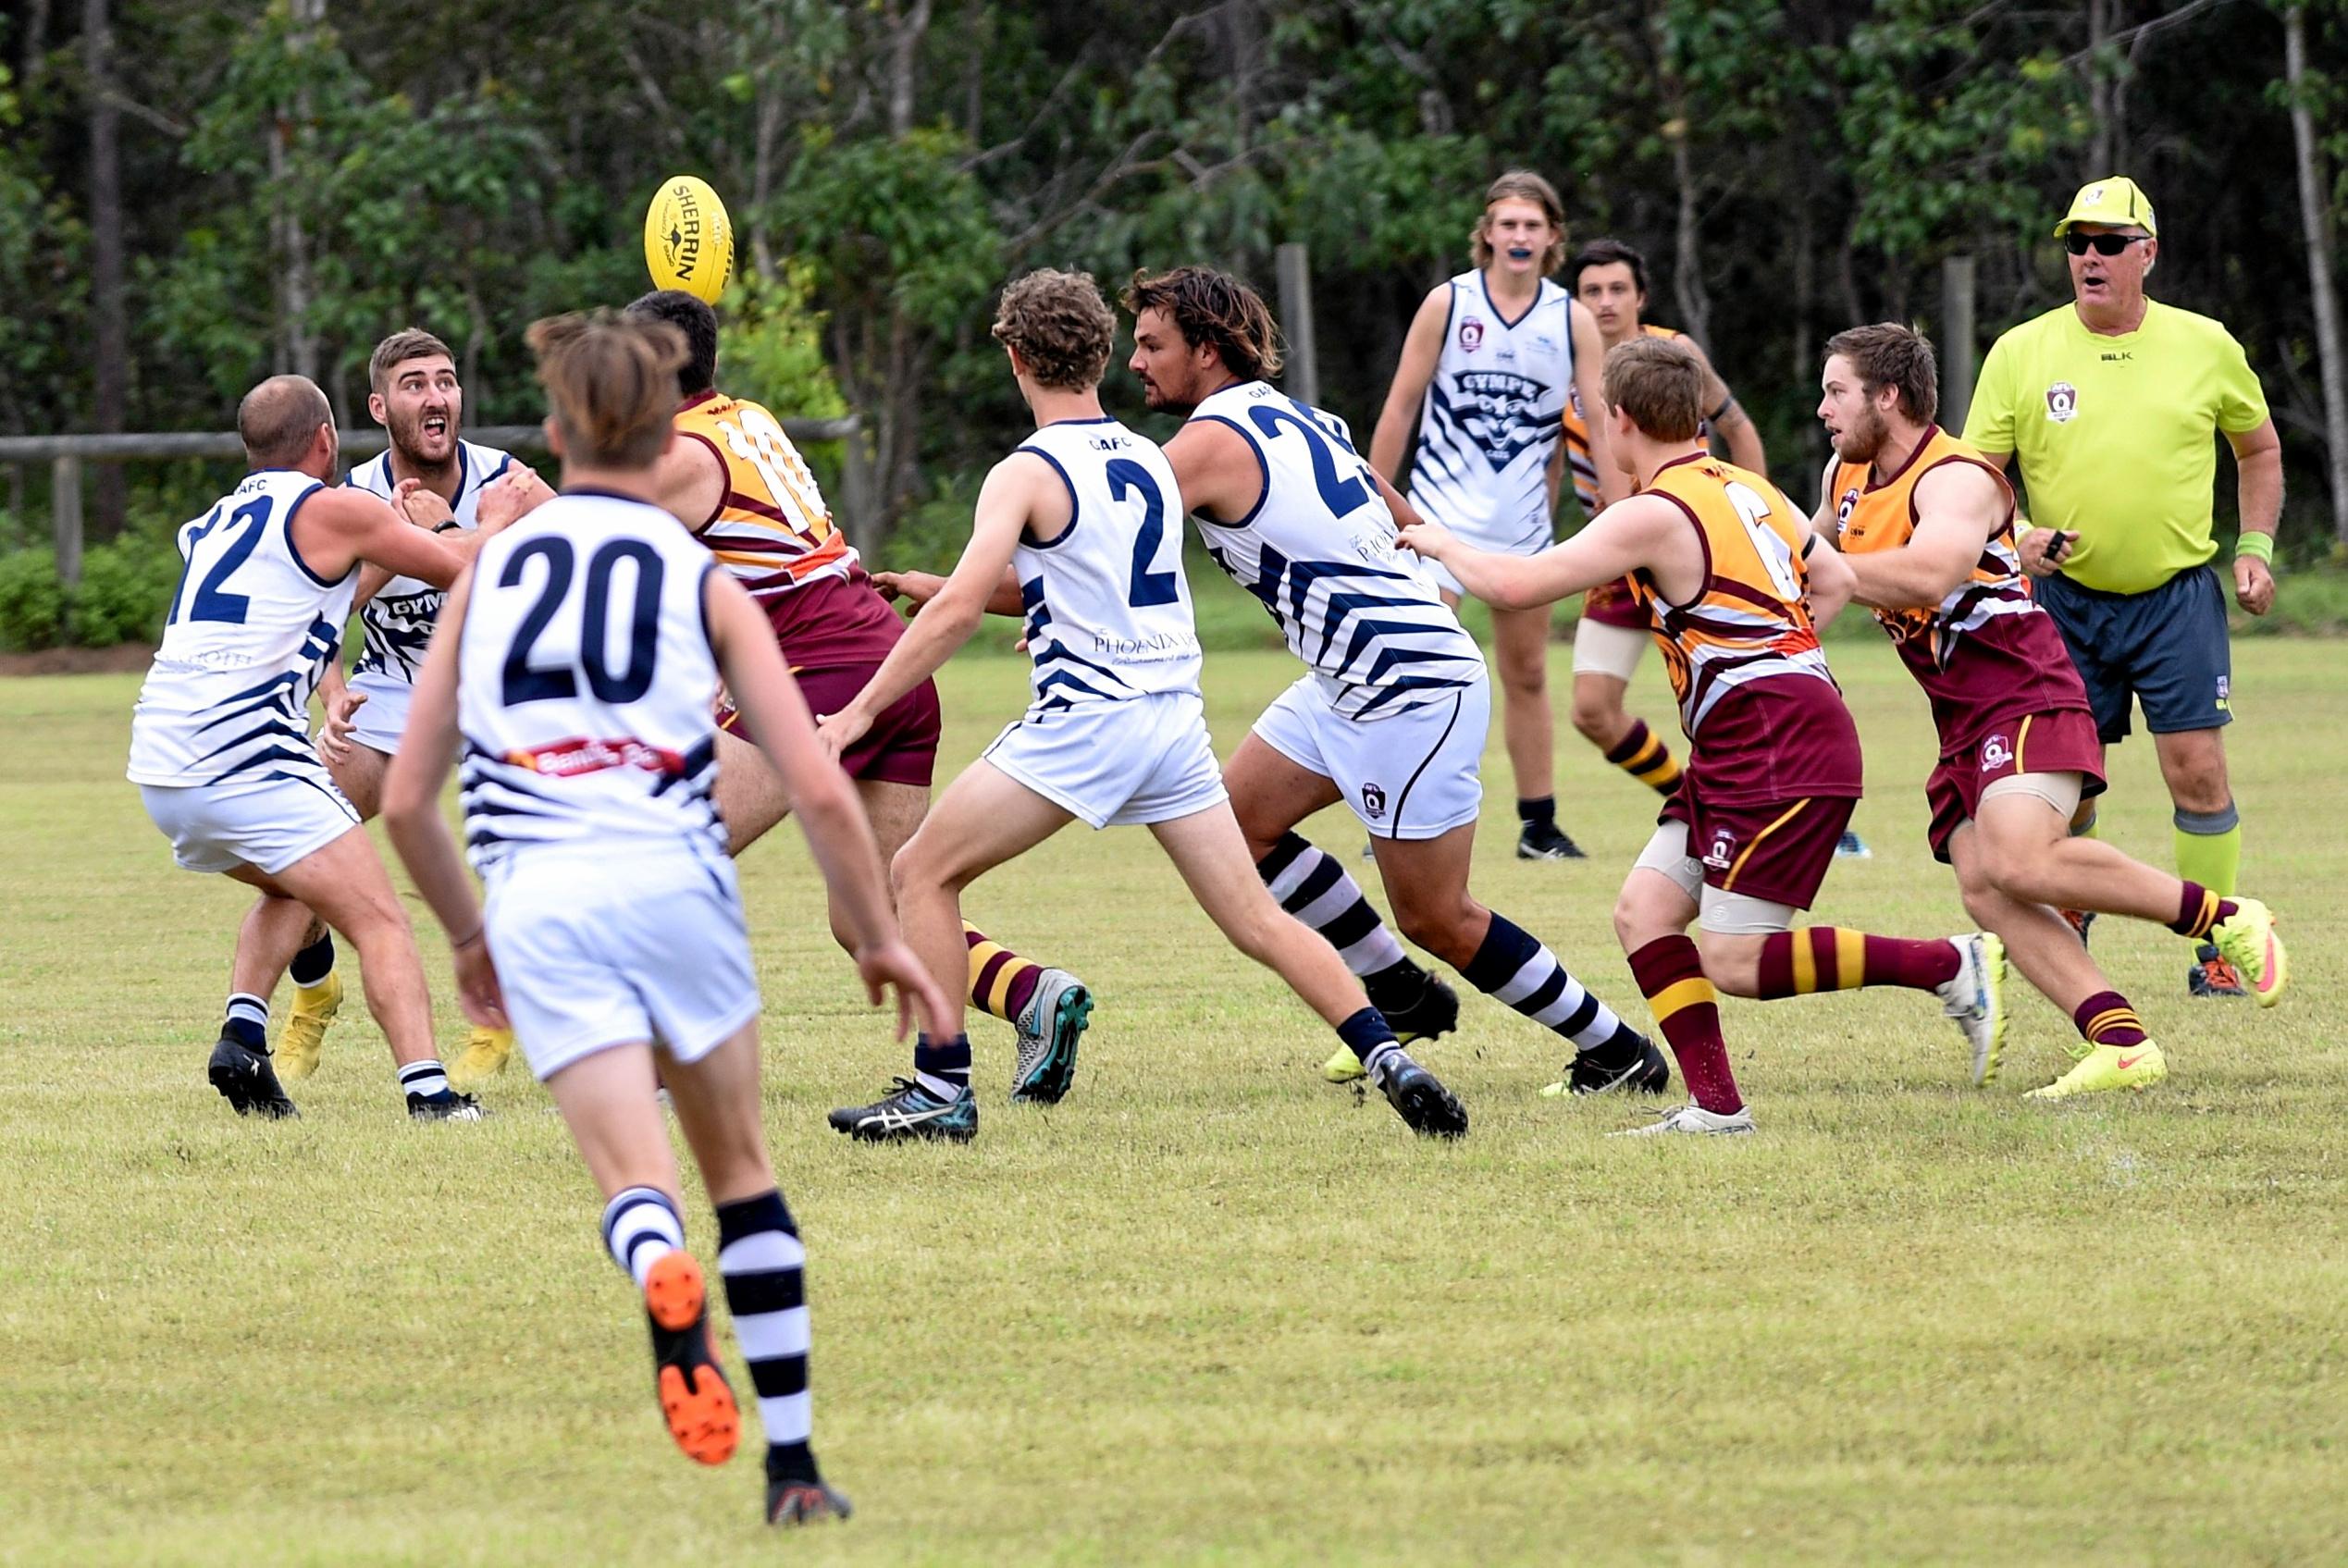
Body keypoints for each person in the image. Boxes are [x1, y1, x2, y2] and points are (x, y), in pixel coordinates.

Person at [383, 310, 945, 1527]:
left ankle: (656, 1267)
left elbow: (404, 799)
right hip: (676, 880)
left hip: (541, 897)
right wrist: (882, 930)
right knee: (742, 1173)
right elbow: (810, 781)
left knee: (636, 1179)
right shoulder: (697, 576)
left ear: (552, 428)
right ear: (657, 427)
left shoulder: (487, 570)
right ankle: (793, 1466)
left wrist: (472, 935)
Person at [819, 270, 1465, 1141]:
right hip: (1173, 723)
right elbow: (1089, 580)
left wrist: (856, 712)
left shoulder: (1026, 470)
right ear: (1103, 354)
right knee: (1256, 919)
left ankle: (940, 1092)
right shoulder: (1145, 462)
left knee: (917, 874)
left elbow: (963, 610)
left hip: (1090, 723)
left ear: (1015, 357)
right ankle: (1389, 1054)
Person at [493, 290, 1093, 1099]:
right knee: (873, 910)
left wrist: (510, 503)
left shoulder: (681, 456)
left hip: (826, 676)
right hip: (888, 664)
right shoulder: (746, 418)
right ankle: (1030, 995)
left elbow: (580, 541)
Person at [1402, 336, 2006, 1136]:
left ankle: (1947, 964)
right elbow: (1830, 577)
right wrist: (1784, 655)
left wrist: (1440, 543)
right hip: (1758, 732)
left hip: (1776, 740)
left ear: (1620, 422)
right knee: (1644, 911)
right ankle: (1718, 1105)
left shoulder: (1652, 511)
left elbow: (1517, 584)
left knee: (1735, 960)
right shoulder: (1753, 489)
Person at [1126, 265, 1666, 1098]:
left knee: (1437, 917)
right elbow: (1403, 512)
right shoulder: (1301, 416)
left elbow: (1102, 545)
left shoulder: (1205, 444)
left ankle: (1618, 1049)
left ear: (1205, 350)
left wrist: (975, 591)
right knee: (1236, 824)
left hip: (1405, 686)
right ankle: (1397, 990)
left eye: (1151, 343)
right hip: (1352, 677)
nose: (1136, 362)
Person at [1814, 325, 2287, 1096]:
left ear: (1886, 396)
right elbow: (1802, 571)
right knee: (1984, 883)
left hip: (2023, 687)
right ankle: (2121, 1040)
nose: (1823, 408)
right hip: (1960, 713)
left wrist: (1829, 571)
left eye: (1836, 391)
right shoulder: (1848, 476)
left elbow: (1931, 573)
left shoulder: (1955, 479)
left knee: (2021, 856)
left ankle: (2226, 917)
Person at [126, 374, 490, 1121]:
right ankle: (431, 1096)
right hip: (244, 752)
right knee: (380, 919)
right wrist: (469, 523)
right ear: (326, 440)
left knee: (294, 884)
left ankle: (242, 1037)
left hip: (159, 764)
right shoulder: (336, 507)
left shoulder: (213, 521)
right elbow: (466, 572)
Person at [1962, 177, 2284, 996]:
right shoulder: (2021, 350)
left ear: (2149, 252)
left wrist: (2254, 547)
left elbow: (2259, 451)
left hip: (2175, 595)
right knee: (2064, 786)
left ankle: (2218, 947)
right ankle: (2072, 908)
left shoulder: (2205, 343)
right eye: (2077, 242)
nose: (2090, 258)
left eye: (2109, 242)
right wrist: (2016, 537)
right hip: (2064, 604)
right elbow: (1970, 480)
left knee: (2198, 771)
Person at [233, 327, 548, 1091]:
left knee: (532, 854)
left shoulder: (510, 484)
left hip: (506, 689)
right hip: (397, 690)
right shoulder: (357, 497)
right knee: (294, 843)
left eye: (444, 381)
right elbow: (322, 602)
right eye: (414, 384)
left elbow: (595, 559)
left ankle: (496, 1019)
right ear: (379, 406)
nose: (436, 396)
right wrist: (333, 686)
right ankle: (307, 991)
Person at [1554, 241, 1877, 854]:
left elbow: (1738, 426)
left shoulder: (1675, 354)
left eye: (1617, 289)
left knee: (1745, 685)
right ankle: (1692, 793)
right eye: (1591, 291)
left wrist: (1757, 517)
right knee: (1593, 709)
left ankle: (1788, 808)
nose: (1604, 302)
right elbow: (1555, 458)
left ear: (1641, 296)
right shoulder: (1565, 365)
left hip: (1695, 544)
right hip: (1619, 552)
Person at [1368, 171, 1617, 860]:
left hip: (1524, 532)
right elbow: (1400, 407)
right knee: (1416, 670)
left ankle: (1539, 826)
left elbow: (1599, 420)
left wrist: (1624, 513)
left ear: (1553, 237)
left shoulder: (1569, 318)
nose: (1518, 236)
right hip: (1438, 520)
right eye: (1506, 223)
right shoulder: (1448, 304)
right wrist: (1368, 497)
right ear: (1486, 232)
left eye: (1532, 225)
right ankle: (1390, 812)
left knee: (1528, 674)